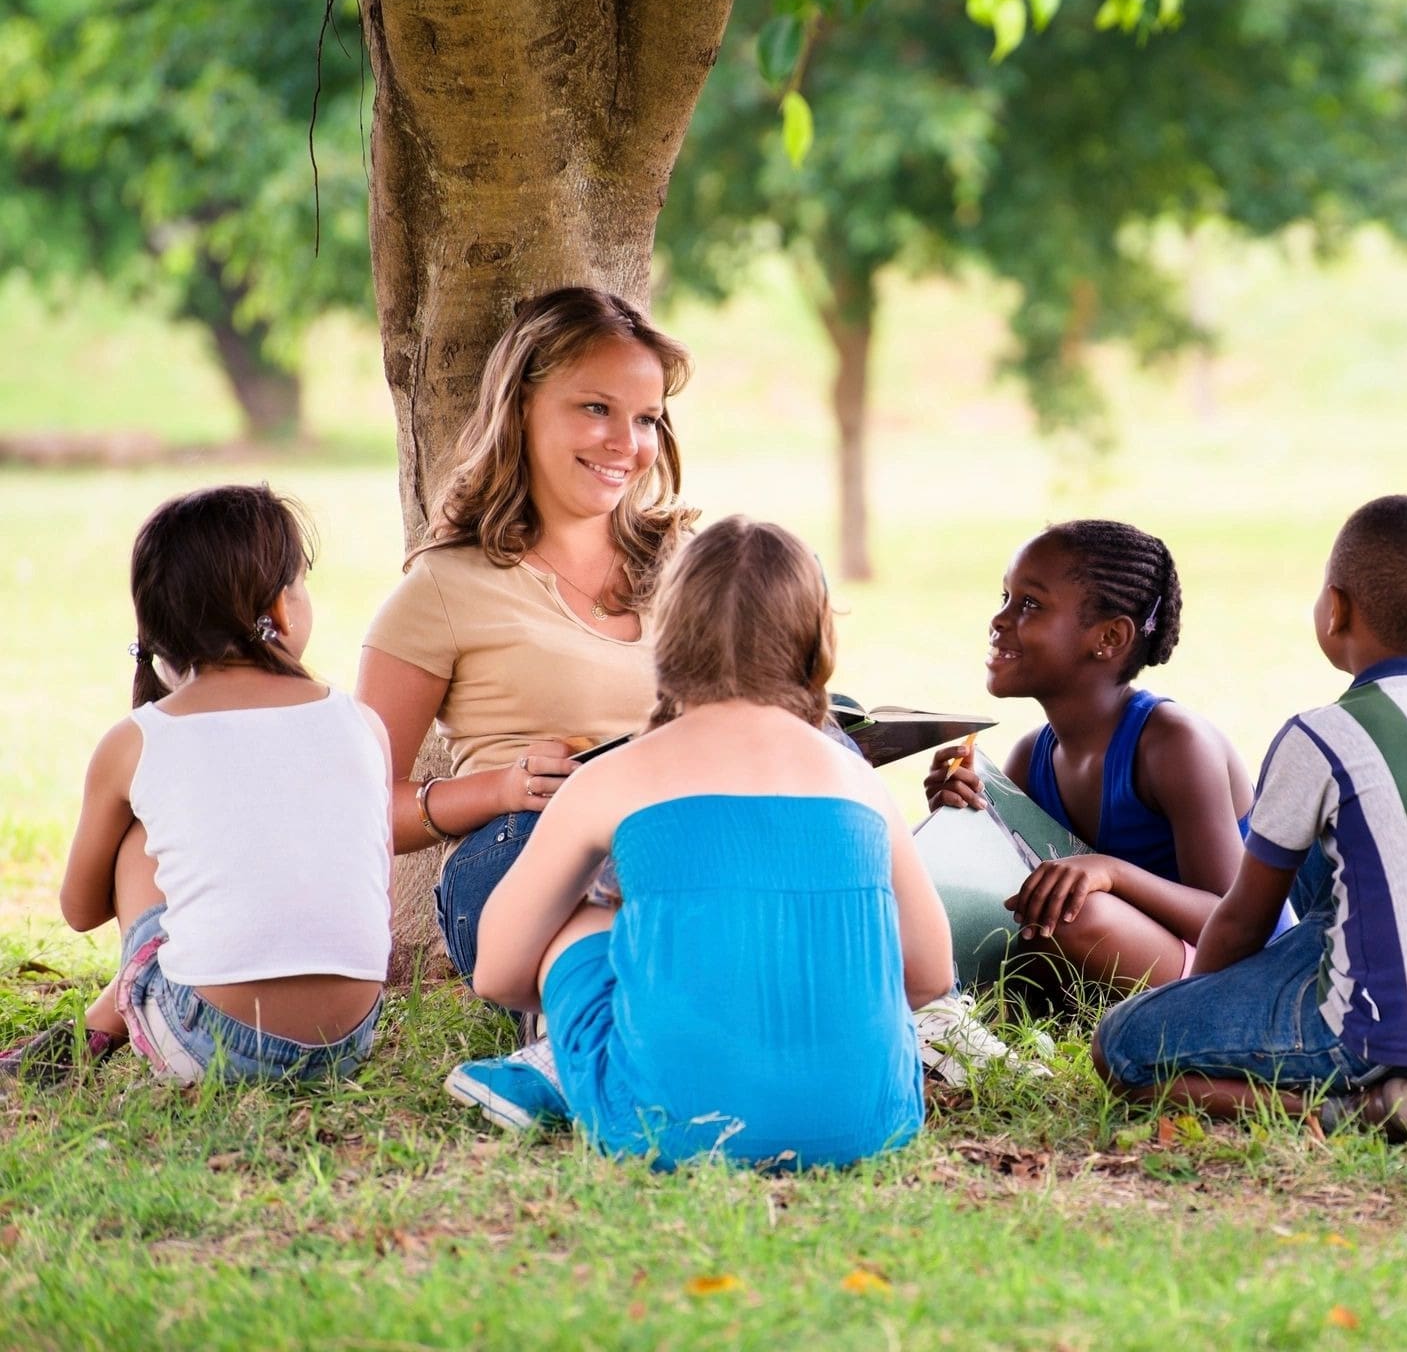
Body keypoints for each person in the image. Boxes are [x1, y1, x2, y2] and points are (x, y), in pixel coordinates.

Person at [447, 517, 954, 1170]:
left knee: (586, 912)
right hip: (873, 1124)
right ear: (816, 639)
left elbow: (498, 973)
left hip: (664, 1131)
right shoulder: (858, 780)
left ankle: (557, 1068)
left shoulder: (612, 778)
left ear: (668, 637)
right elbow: (932, 974)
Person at [1092, 496, 1407, 1138]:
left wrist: (1191, 1001)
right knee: (1335, 834)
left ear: (1336, 608)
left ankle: (1359, 1109)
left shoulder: (1325, 736)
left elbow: (1244, 920)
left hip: (1371, 1037)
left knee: (1123, 1047)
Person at [357, 287, 697, 989]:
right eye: (595, 408)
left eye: (646, 420)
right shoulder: (445, 588)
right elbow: (359, 809)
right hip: (526, 856)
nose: (625, 445)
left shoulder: (691, 568)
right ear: (519, 407)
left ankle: (905, 1003)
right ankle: (588, 1023)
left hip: (677, 838)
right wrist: (500, 789)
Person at [1, 486, 390, 1085]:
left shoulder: (137, 740)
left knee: (136, 833)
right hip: (348, 1042)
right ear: (282, 610)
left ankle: (98, 1026)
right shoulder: (361, 723)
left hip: (207, 1043)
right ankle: (98, 1023)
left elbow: (79, 911)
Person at [926, 519, 1256, 995]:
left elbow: (1233, 921)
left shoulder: (1174, 744)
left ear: (1109, 638)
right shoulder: (1032, 756)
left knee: (1076, 914)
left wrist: (1111, 872)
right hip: (1123, 962)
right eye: (1005, 599)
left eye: (1030, 604)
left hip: (1234, 976)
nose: (999, 620)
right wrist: (956, 813)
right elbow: (985, 899)